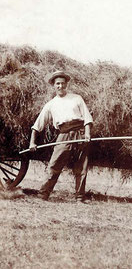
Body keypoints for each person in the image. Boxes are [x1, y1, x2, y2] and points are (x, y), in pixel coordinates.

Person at [29, 70, 93, 202]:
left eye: (63, 83)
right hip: (63, 135)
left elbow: (87, 118)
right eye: (58, 83)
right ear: (53, 85)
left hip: (80, 133)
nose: (60, 86)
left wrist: (87, 134)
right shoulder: (51, 104)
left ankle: (80, 197)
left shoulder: (77, 98)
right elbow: (37, 125)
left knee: (81, 167)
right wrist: (32, 142)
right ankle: (43, 194)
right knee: (54, 165)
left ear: (67, 84)